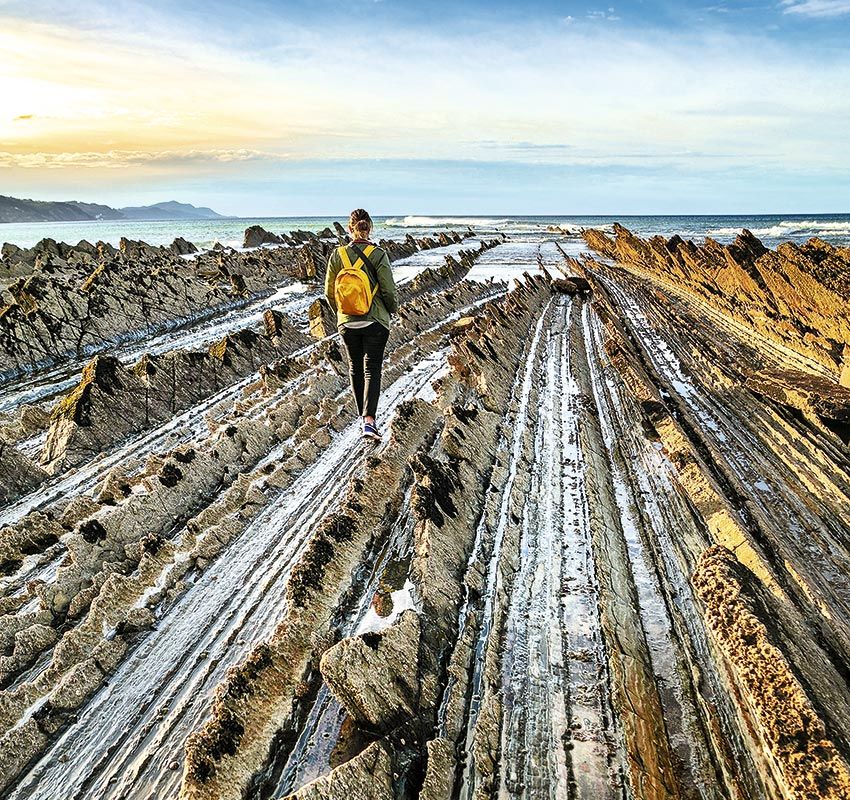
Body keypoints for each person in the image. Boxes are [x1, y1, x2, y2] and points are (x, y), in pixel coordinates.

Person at [324, 208, 398, 440]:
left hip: (347, 323)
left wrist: (343, 313)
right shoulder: (378, 254)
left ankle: (363, 420)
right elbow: (388, 290)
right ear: (370, 228)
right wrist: (392, 310)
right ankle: (369, 421)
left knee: (355, 367)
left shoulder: (338, 255)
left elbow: (329, 292)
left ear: (350, 228)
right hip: (374, 320)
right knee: (372, 368)